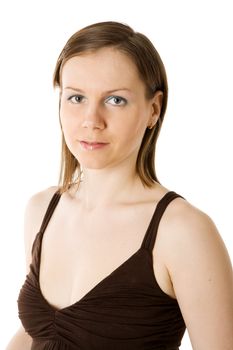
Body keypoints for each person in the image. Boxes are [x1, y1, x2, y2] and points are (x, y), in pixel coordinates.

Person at [6, 21, 233, 350]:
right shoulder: (42, 209)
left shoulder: (183, 231)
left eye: (115, 100)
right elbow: (38, 335)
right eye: (76, 98)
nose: (91, 120)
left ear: (153, 109)